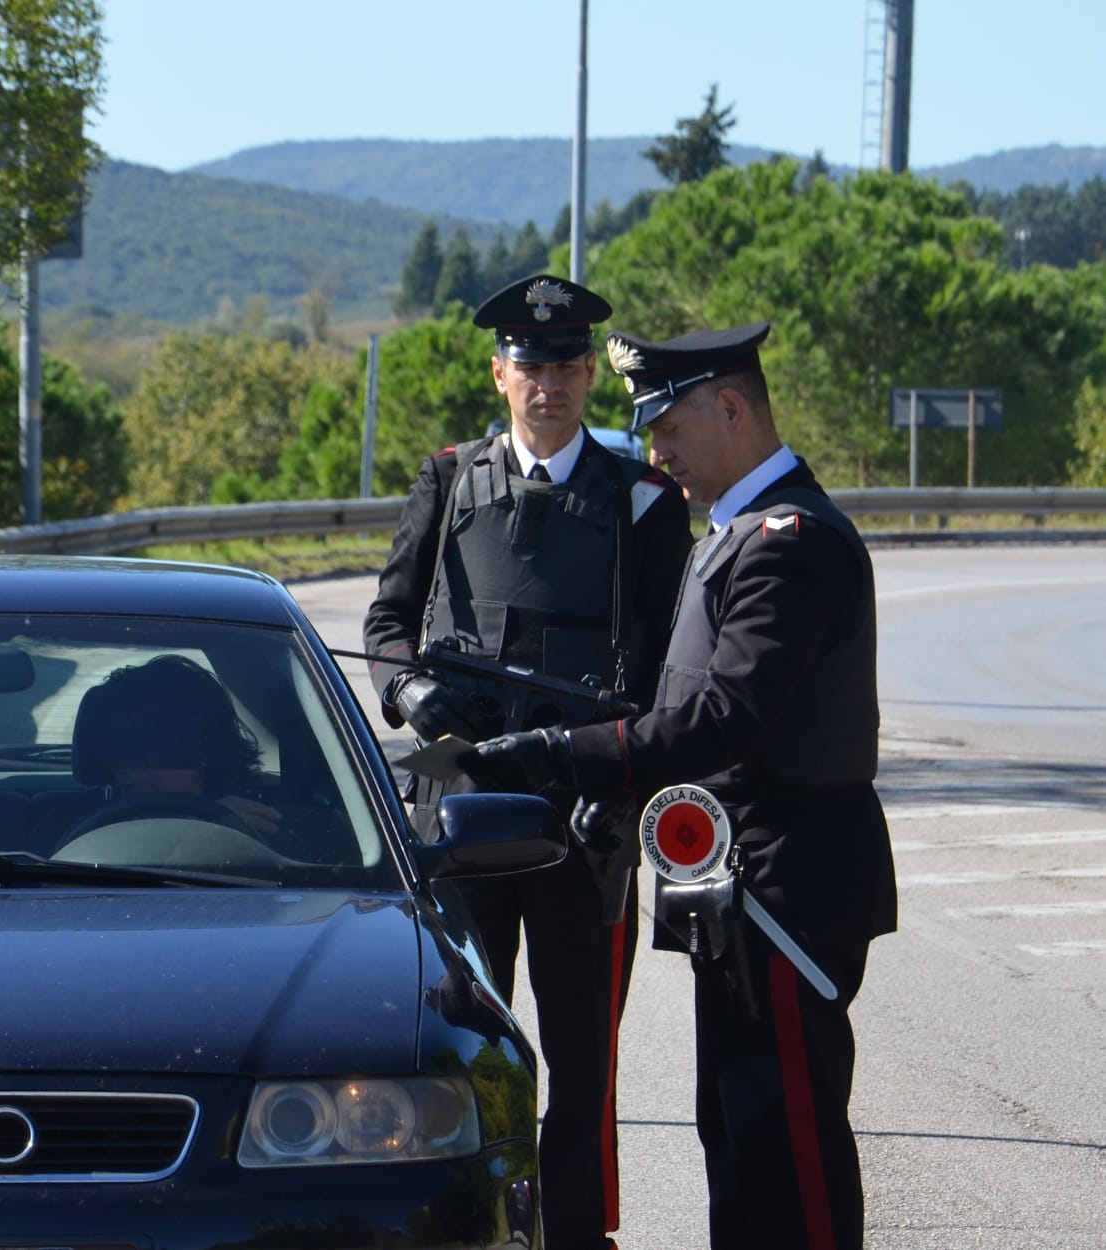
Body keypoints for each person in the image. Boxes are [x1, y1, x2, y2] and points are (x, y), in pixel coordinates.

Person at [465, 322, 898, 1250]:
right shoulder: (737, 532)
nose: (655, 452)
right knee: (737, 1139)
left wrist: (559, 751)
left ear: (731, 408)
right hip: (738, 894)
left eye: (666, 428)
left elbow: (720, 720)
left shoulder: (787, 540)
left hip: (786, 889)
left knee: (787, 1151)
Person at [362, 274, 691, 1250]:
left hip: (582, 817)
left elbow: (670, 654)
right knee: (464, 1050)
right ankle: (474, 1227)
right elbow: (388, 621)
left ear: (588, 374)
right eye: (528, 365)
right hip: (461, 814)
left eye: (564, 365)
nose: (545, 381)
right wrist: (409, 693)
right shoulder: (450, 477)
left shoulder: (638, 498)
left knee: (584, 1060)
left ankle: (580, 1233)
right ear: (498, 372)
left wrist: (626, 786)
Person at [75, 654, 281, 834]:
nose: (137, 771)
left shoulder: (251, 824)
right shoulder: (67, 821)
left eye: (162, 751)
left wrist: (218, 829)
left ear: (207, 750)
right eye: (123, 750)